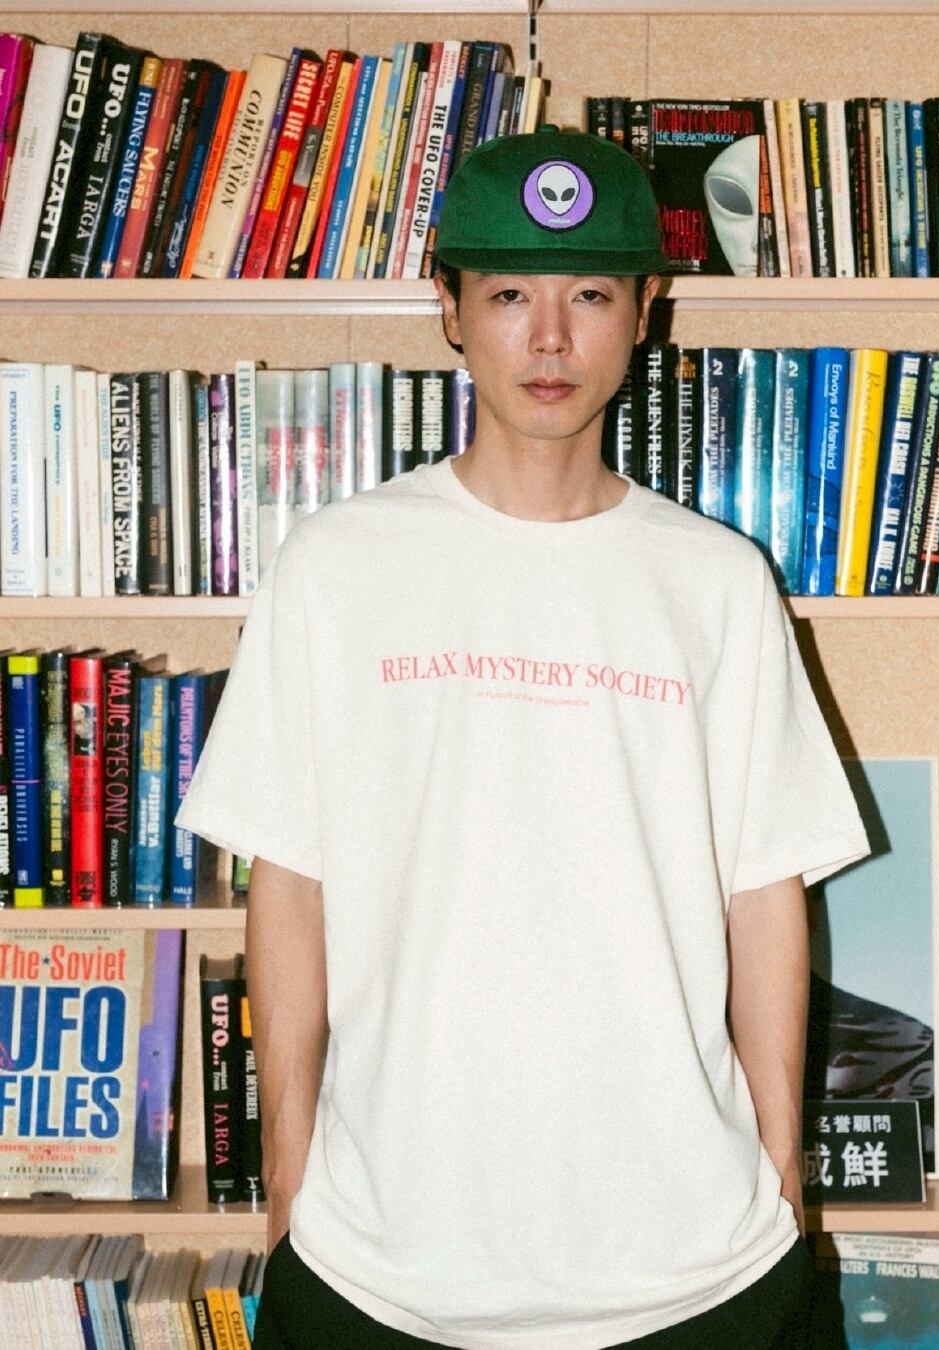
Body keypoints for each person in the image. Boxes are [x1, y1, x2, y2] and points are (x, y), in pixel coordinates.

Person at [175, 123, 870, 1350]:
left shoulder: (716, 582)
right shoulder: (336, 568)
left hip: (695, 1266)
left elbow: (765, 892)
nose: (550, 339)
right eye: (508, 295)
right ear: (448, 308)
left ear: (645, 313)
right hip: (384, 1267)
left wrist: (779, 1170)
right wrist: (287, 1178)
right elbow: (289, 884)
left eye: (589, 295)